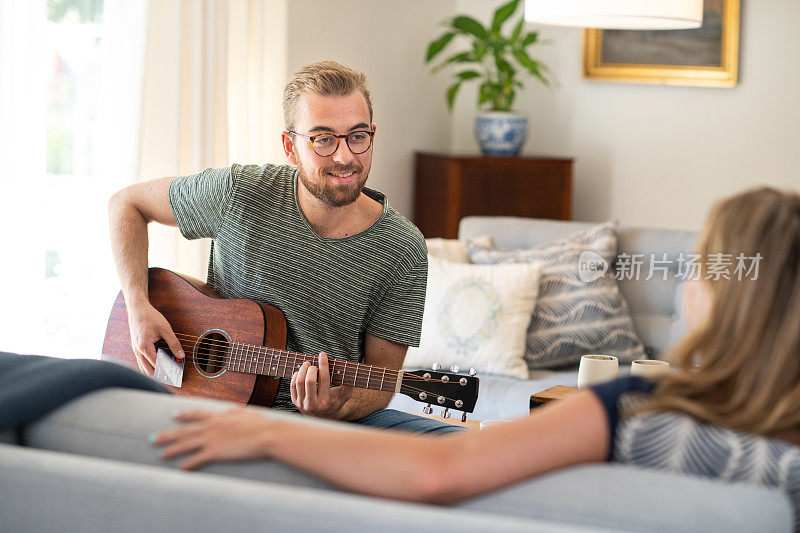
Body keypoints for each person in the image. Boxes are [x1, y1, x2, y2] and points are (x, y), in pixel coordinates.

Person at [151, 187, 800, 522]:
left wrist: (270, 432)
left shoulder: (632, 411)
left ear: (715, 296)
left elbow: (440, 471)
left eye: (702, 268)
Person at [108, 61, 460, 433]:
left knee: (453, 448)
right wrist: (138, 307)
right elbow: (125, 205)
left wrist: (331, 411)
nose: (344, 157)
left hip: (319, 425)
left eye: (357, 136)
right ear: (290, 146)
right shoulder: (239, 191)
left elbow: (378, 382)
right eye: (323, 139)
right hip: (212, 404)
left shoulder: (402, 247)